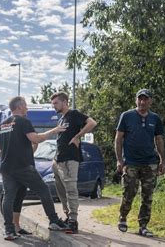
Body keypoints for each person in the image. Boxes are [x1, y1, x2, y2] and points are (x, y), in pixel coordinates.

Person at [0, 96, 68, 240]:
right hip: (23, 166)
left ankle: (9, 230)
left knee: (9, 197)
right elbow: (36, 139)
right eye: (25, 105)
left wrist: (11, 151)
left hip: (6, 167)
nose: (27, 108)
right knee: (43, 190)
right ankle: (53, 221)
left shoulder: (3, 124)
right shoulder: (23, 121)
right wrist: (55, 130)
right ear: (20, 106)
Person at [115, 89, 165, 237]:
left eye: (145, 99)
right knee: (129, 192)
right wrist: (119, 160)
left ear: (150, 101)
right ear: (136, 100)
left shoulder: (155, 119)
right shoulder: (127, 116)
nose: (142, 102)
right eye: (140, 99)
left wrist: (162, 160)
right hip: (130, 162)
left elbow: (159, 139)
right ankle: (123, 217)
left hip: (150, 163)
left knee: (147, 196)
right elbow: (118, 139)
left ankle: (143, 226)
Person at [50, 92, 97, 234]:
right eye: (52, 104)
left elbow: (92, 123)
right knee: (61, 191)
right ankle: (67, 217)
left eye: (56, 103)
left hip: (70, 159)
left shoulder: (74, 114)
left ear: (64, 102)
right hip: (58, 160)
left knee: (71, 189)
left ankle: (73, 221)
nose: (54, 106)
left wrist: (78, 136)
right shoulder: (61, 119)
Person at [0, 129, 33, 236]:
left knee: (17, 195)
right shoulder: (11, 126)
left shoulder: (8, 126)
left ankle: (15, 226)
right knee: (10, 196)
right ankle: (10, 226)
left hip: (12, 165)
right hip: (16, 167)